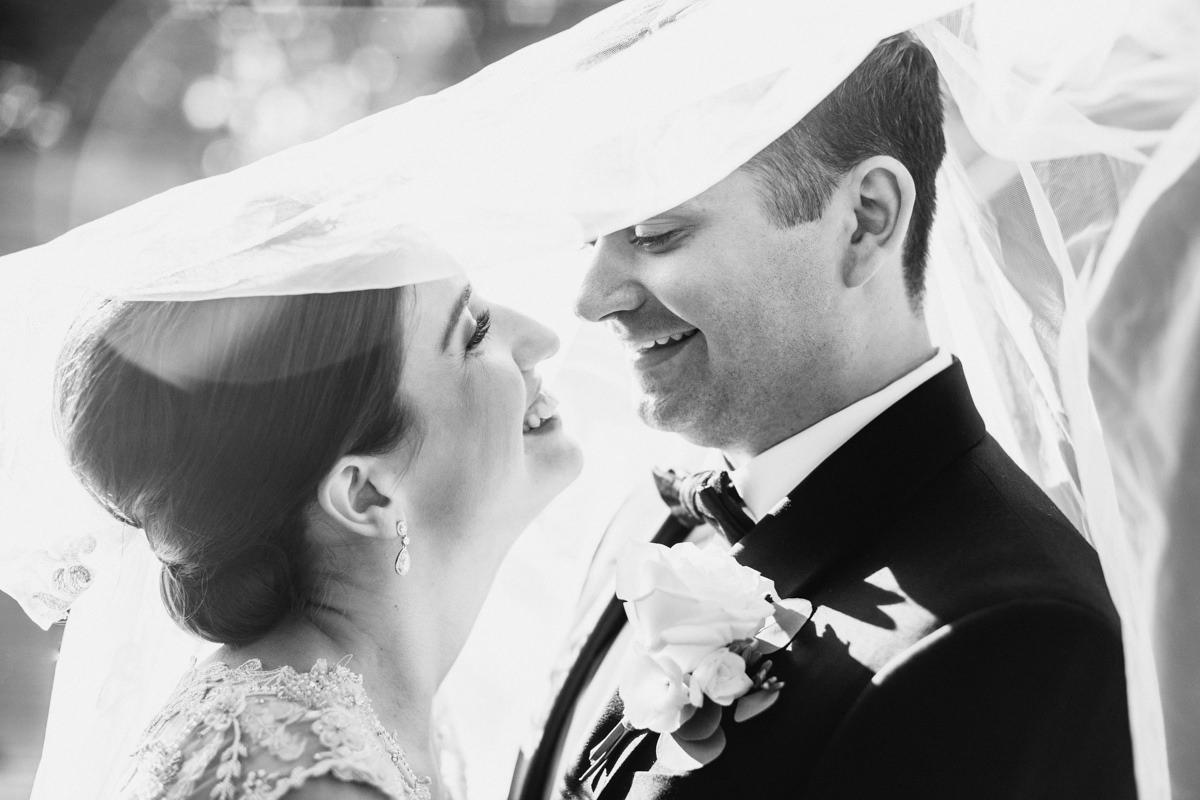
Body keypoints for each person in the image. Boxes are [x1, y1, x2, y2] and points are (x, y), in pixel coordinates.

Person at [511, 33, 1138, 800]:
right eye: (590, 239)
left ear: (866, 219)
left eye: (655, 235)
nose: (589, 298)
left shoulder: (1018, 644)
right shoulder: (649, 519)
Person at [54, 282, 582, 799]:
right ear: (365, 494)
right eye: (473, 335)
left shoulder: (385, 709)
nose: (543, 338)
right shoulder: (304, 775)